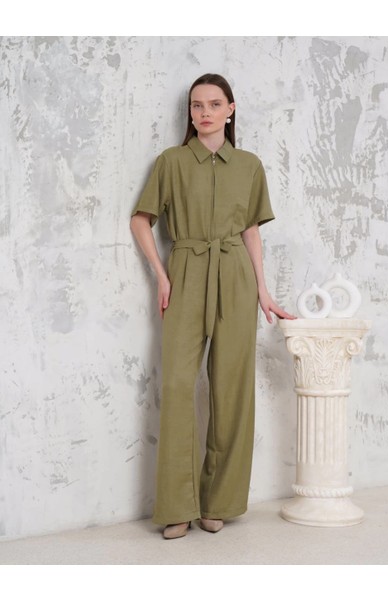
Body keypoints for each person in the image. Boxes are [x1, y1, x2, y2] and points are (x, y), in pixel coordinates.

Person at [130, 73, 297, 540]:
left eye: (214, 104)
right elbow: (141, 220)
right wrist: (161, 275)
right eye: (196, 105)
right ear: (190, 112)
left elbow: (250, 231)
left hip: (235, 277)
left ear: (230, 110)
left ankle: (218, 502)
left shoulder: (249, 165)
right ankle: (178, 507)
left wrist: (263, 290)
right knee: (179, 387)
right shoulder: (171, 162)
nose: (204, 112)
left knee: (232, 390)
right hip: (185, 272)